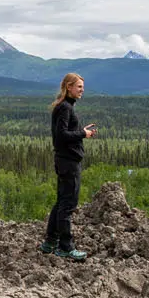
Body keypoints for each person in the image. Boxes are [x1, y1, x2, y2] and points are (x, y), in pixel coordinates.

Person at [40, 72, 96, 260]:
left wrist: (81, 131)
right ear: (69, 87)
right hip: (68, 162)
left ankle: (50, 242)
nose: (82, 90)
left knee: (61, 201)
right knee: (68, 204)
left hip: (64, 160)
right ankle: (65, 247)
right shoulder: (65, 108)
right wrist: (83, 134)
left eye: (82, 86)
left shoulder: (64, 106)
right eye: (79, 86)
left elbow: (64, 132)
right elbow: (62, 135)